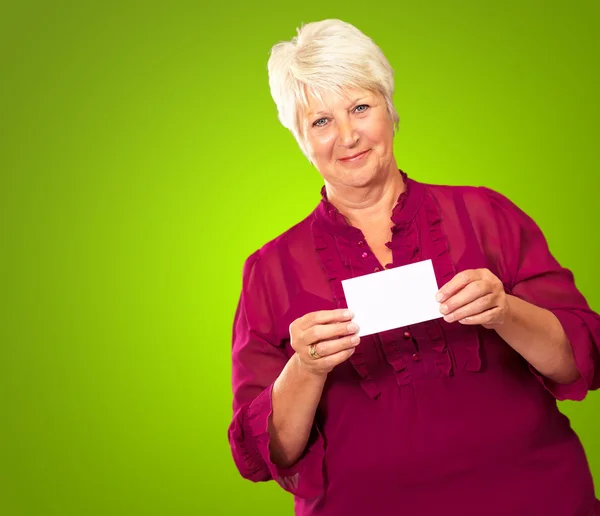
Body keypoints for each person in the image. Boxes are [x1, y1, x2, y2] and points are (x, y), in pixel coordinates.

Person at [227, 19, 600, 516]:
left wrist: (504, 311)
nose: (347, 135)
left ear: (390, 109)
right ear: (301, 139)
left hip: (534, 497)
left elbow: (579, 361)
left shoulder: (487, 215)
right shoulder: (269, 269)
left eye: (360, 107)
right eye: (321, 122)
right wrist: (307, 367)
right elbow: (270, 453)